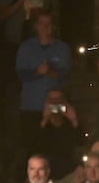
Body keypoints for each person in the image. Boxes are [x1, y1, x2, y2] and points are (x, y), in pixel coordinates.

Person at [15, 11, 72, 148]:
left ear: (53, 26)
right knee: (30, 147)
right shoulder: (26, 47)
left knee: (55, 146)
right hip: (31, 105)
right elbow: (20, 74)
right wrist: (37, 72)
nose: (45, 27)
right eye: (41, 23)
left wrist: (49, 72)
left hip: (56, 106)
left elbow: (65, 76)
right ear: (36, 26)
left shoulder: (62, 48)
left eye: (48, 24)